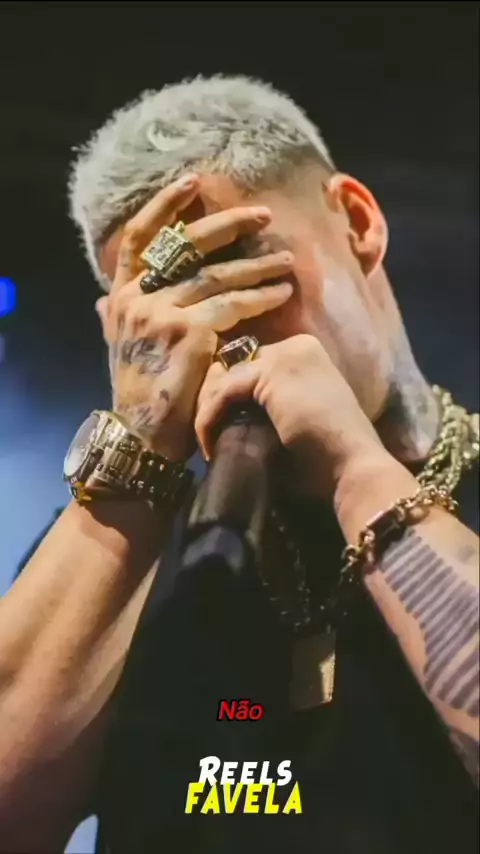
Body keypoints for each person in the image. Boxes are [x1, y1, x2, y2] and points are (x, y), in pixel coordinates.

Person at [0, 75, 478, 854]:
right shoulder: (111, 558)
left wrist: (357, 469)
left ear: (358, 224)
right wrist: (140, 440)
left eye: (239, 268)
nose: (220, 331)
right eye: (165, 304)